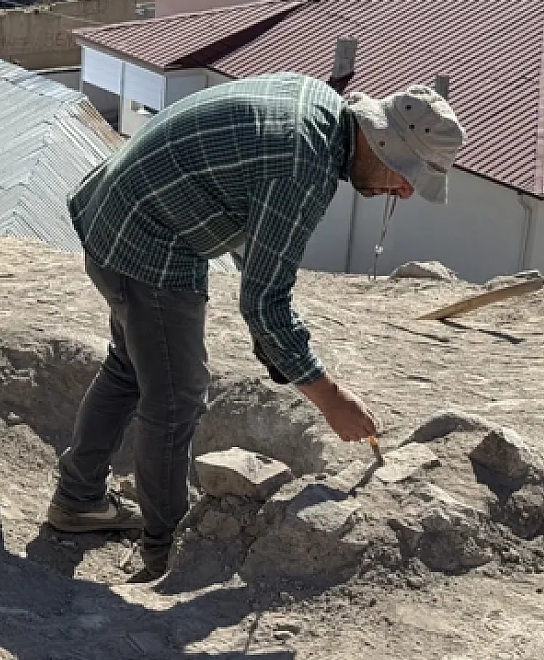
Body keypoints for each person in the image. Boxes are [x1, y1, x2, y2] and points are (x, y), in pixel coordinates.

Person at [51, 73, 466, 582]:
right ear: (379, 140)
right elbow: (264, 303)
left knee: (131, 369)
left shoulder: (318, 104)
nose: (401, 192)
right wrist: (328, 396)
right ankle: (165, 554)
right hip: (146, 239)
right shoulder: (303, 167)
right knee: (177, 396)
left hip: (120, 207)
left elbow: (254, 241)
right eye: (405, 174)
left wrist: (284, 352)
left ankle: (79, 500)